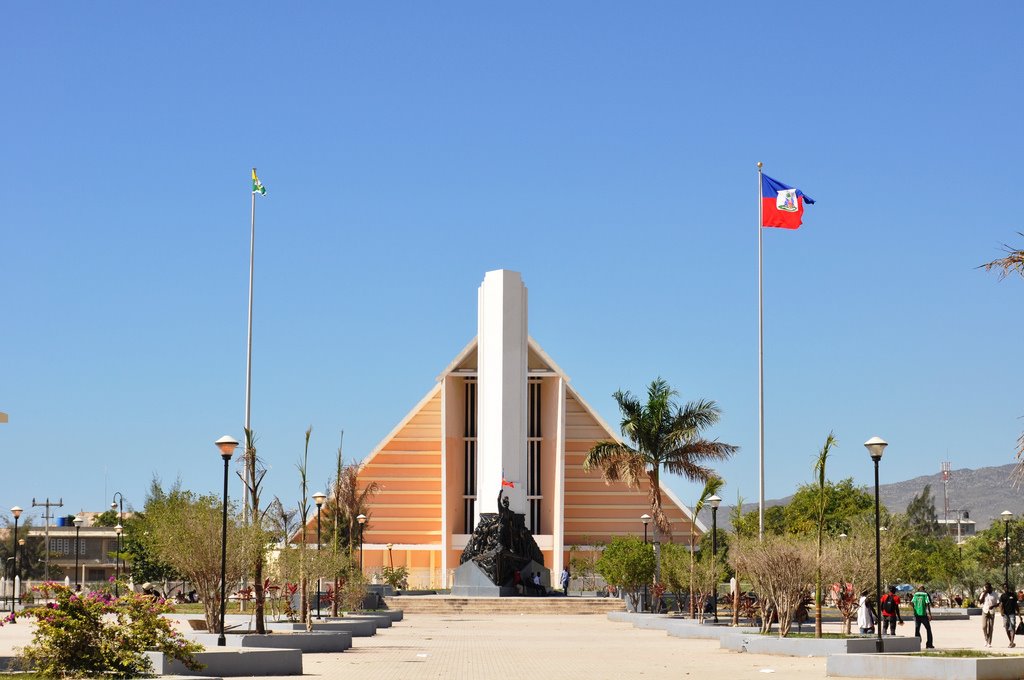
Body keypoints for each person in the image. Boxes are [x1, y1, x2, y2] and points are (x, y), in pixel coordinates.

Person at [911, 585, 934, 649]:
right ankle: (929, 644)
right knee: (928, 629)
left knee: (917, 629)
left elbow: (912, 603)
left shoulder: (915, 594)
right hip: (923, 615)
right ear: (923, 589)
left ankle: (917, 643)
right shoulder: (925, 595)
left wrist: (915, 609)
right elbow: (927, 604)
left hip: (917, 615)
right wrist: (929, 614)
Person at [981, 582, 1000, 648]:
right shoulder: (984, 593)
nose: (986, 589)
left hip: (992, 611)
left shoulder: (995, 594)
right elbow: (980, 601)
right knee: (984, 626)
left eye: (987, 588)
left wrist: (993, 606)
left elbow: (998, 603)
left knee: (990, 627)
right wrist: (984, 594)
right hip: (985, 611)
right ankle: (986, 639)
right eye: (985, 588)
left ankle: (989, 642)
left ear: (990, 587)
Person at [1001, 582, 1019, 648]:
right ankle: (1011, 642)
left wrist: (1019, 614)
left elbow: (1016, 605)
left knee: (1012, 627)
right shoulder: (1002, 596)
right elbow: (1001, 605)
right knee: (1006, 628)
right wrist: (1001, 612)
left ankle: (1011, 642)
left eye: (1007, 587)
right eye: (1005, 587)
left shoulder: (1013, 595)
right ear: (1003, 588)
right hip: (1005, 615)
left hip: (1012, 614)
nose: (1006, 588)